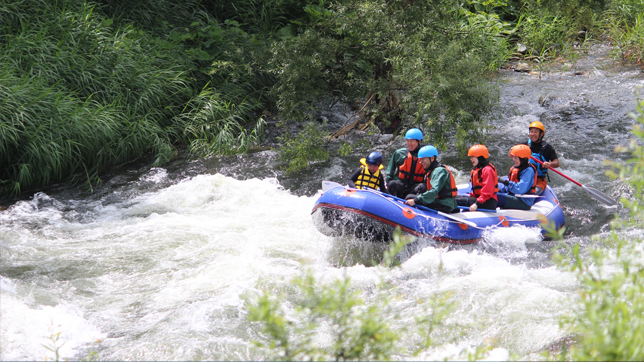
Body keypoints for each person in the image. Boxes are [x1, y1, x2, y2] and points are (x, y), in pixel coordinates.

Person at [404, 145, 458, 213]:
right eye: (421, 159)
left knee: (410, 198)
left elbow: (434, 191)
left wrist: (415, 200)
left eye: (423, 159)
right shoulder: (431, 170)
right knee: (413, 194)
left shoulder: (439, 171)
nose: (421, 162)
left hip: (444, 204)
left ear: (432, 158)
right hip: (439, 201)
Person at [509, 121, 559, 194]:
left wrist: (549, 164)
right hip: (523, 177)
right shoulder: (524, 145)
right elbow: (510, 155)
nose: (532, 134)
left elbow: (557, 163)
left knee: (533, 193)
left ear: (541, 134)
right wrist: (512, 150)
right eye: (531, 132)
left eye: (535, 132)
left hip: (539, 180)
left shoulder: (548, 148)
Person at [456, 144, 498, 211]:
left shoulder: (487, 170)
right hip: (480, 199)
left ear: (479, 157)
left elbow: (487, 192)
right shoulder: (477, 169)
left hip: (488, 202)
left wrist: (476, 204)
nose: (471, 159)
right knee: (454, 198)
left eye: (472, 157)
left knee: (457, 201)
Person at [386, 128, 426, 198]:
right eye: (407, 141)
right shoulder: (399, 153)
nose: (409, 143)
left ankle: (414, 204)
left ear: (419, 141)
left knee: (423, 187)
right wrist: (388, 183)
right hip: (400, 186)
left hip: (413, 189)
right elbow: (390, 172)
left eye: (412, 141)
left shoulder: (425, 157)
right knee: (392, 183)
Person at [498, 144, 537, 210]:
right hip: (513, 196)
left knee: (495, 197)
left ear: (523, 158)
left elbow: (520, 189)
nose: (514, 159)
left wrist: (504, 181)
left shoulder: (529, 171)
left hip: (524, 202)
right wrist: (499, 190)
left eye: (516, 158)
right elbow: (509, 188)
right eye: (513, 157)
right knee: (491, 194)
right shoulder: (516, 168)